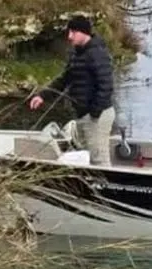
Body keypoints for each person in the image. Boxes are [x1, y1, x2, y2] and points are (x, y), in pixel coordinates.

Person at [27, 14, 115, 166]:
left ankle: (108, 188)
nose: (69, 36)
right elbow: (64, 79)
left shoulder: (97, 53)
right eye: (69, 32)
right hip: (83, 115)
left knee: (98, 158)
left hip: (97, 116)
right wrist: (42, 95)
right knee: (87, 156)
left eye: (73, 32)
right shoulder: (77, 54)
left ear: (83, 33)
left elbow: (106, 86)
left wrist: (94, 112)